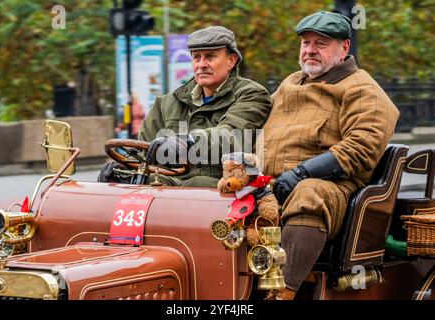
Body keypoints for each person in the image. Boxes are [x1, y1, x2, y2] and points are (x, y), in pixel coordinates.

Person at [262, 11, 400, 299]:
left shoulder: (363, 90)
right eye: (305, 43)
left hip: (334, 189)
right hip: (270, 184)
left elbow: (361, 148)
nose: (310, 50)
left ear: (344, 48)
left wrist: (301, 173)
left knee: (308, 194)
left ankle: (283, 292)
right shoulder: (290, 83)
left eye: (321, 43)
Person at [98, 26, 271, 187]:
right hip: (170, 184)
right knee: (121, 181)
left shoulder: (251, 94)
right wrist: (122, 166)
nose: (201, 64)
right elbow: (143, 150)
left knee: (196, 184)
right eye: (196, 57)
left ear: (231, 60)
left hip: (223, 185)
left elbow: (231, 136)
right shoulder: (167, 102)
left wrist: (187, 141)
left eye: (210, 56)